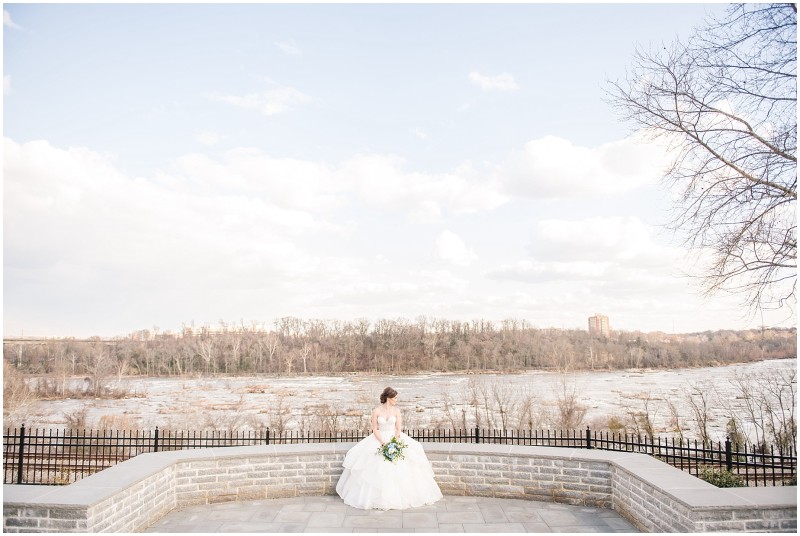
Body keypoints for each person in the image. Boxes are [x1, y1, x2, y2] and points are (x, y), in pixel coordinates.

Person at [336, 386, 443, 510]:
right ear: (388, 398)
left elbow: (398, 428)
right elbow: (375, 429)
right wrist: (383, 443)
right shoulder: (376, 411)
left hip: (394, 438)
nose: (396, 400)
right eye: (395, 398)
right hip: (379, 439)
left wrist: (393, 442)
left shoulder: (396, 411)